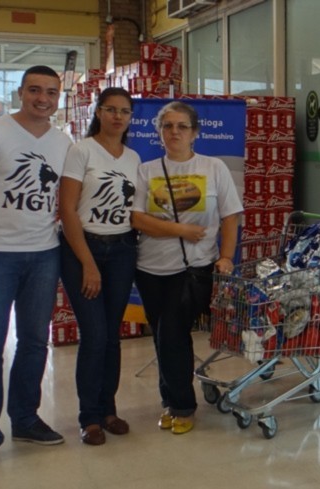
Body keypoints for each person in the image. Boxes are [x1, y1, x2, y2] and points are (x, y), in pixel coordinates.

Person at [0, 65, 72, 474]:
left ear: (58, 97)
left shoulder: (63, 142)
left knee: (34, 341)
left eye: (50, 92)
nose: (42, 99)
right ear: (20, 92)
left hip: (44, 253)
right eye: (34, 90)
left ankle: (26, 420)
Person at [130, 101, 242, 435]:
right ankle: (170, 400)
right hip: (150, 269)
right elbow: (138, 220)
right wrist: (180, 230)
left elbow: (230, 216)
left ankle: (181, 405)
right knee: (162, 336)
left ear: (195, 133)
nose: (174, 132)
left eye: (182, 126)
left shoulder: (213, 167)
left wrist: (226, 256)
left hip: (194, 268)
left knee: (172, 334)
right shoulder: (147, 170)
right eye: (168, 126)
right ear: (159, 133)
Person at [59, 87, 141, 446]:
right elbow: (67, 211)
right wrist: (88, 263)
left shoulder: (134, 157)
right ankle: (89, 417)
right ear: (98, 112)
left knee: (111, 335)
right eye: (111, 109)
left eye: (124, 111)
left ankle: (109, 410)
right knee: (93, 335)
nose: (117, 116)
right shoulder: (81, 151)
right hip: (83, 249)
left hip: (122, 250)